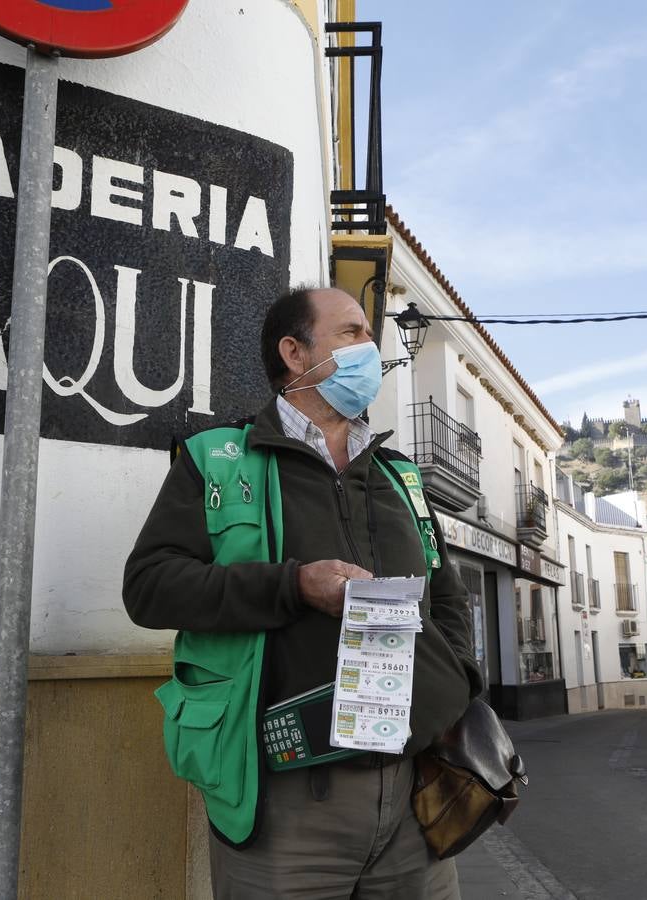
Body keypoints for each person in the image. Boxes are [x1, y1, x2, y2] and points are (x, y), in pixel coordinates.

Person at [124, 286, 482, 899]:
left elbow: (445, 597)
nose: (371, 347)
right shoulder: (216, 460)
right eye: (352, 333)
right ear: (294, 352)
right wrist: (294, 585)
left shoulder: (399, 475)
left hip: (411, 797)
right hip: (284, 802)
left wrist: (455, 692)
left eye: (369, 335)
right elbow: (149, 587)